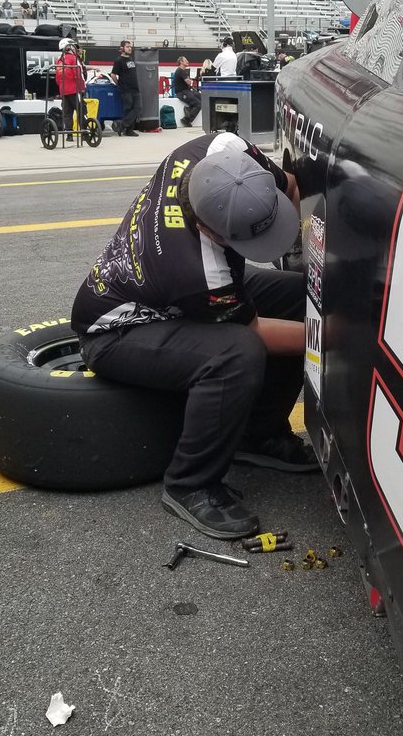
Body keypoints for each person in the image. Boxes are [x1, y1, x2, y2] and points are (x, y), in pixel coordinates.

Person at [71, 132, 318, 539]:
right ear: (211, 230)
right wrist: (337, 342)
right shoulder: (195, 270)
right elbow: (255, 332)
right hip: (117, 331)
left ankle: (259, 434)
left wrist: (292, 248)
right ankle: (190, 484)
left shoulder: (224, 151)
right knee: (237, 354)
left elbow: (288, 183)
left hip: (172, 293)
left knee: (296, 295)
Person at [55, 38, 87, 143]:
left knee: (67, 113)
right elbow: (78, 74)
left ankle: (69, 134)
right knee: (81, 111)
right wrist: (82, 88)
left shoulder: (59, 60)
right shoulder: (73, 58)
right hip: (75, 89)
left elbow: (57, 78)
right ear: (68, 47)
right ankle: (83, 133)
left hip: (63, 91)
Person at [111, 40, 141, 137]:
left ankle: (122, 124)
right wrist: (119, 84)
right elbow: (113, 74)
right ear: (122, 48)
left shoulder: (131, 59)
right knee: (128, 108)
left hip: (135, 88)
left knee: (137, 108)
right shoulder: (119, 60)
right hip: (126, 89)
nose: (129, 48)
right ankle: (128, 130)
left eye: (130, 47)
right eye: (127, 46)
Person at [172, 56, 201, 128]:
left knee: (201, 97)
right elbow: (188, 82)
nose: (187, 61)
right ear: (181, 62)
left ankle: (188, 110)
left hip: (187, 91)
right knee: (198, 104)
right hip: (182, 92)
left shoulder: (183, 71)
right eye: (186, 60)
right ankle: (186, 119)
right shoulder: (180, 71)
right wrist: (189, 80)